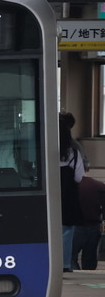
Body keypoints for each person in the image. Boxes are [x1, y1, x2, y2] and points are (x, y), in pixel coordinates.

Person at [60, 113, 85, 272]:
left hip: (48, 198)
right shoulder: (74, 153)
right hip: (68, 198)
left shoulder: (44, 151)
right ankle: (64, 264)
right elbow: (79, 177)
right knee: (67, 232)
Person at [73, 168, 105, 270]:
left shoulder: (72, 186)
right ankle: (86, 274)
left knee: (71, 257)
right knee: (90, 258)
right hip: (94, 227)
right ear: (87, 169)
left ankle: (75, 273)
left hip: (75, 226)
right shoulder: (99, 185)